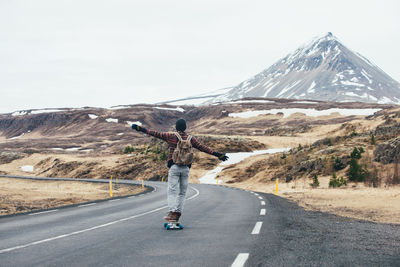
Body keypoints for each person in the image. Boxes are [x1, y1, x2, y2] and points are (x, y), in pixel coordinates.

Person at [132, 118, 228, 222]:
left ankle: (172, 212)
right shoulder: (191, 139)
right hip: (186, 168)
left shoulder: (171, 136)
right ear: (185, 127)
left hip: (175, 167)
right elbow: (203, 148)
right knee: (182, 192)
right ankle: (177, 214)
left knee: (172, 191)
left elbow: (155, 133)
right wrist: (217, 154)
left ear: (176, 127)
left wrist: (140, 129)